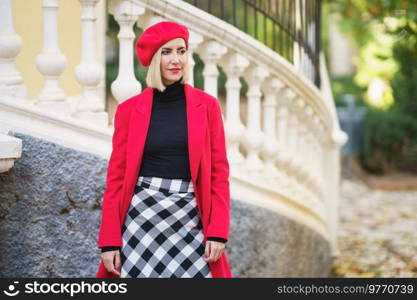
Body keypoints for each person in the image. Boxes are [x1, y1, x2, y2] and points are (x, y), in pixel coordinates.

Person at [96, 21, 232, 278]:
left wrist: (217, 231)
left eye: (181, 51)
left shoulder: (207, 107)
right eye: (167, 52)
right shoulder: (128, 111)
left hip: (191, 217)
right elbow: (115, 179)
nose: (175, 59)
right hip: (141, 218)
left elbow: (218, 173)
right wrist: (110, 241)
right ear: (154, 58)